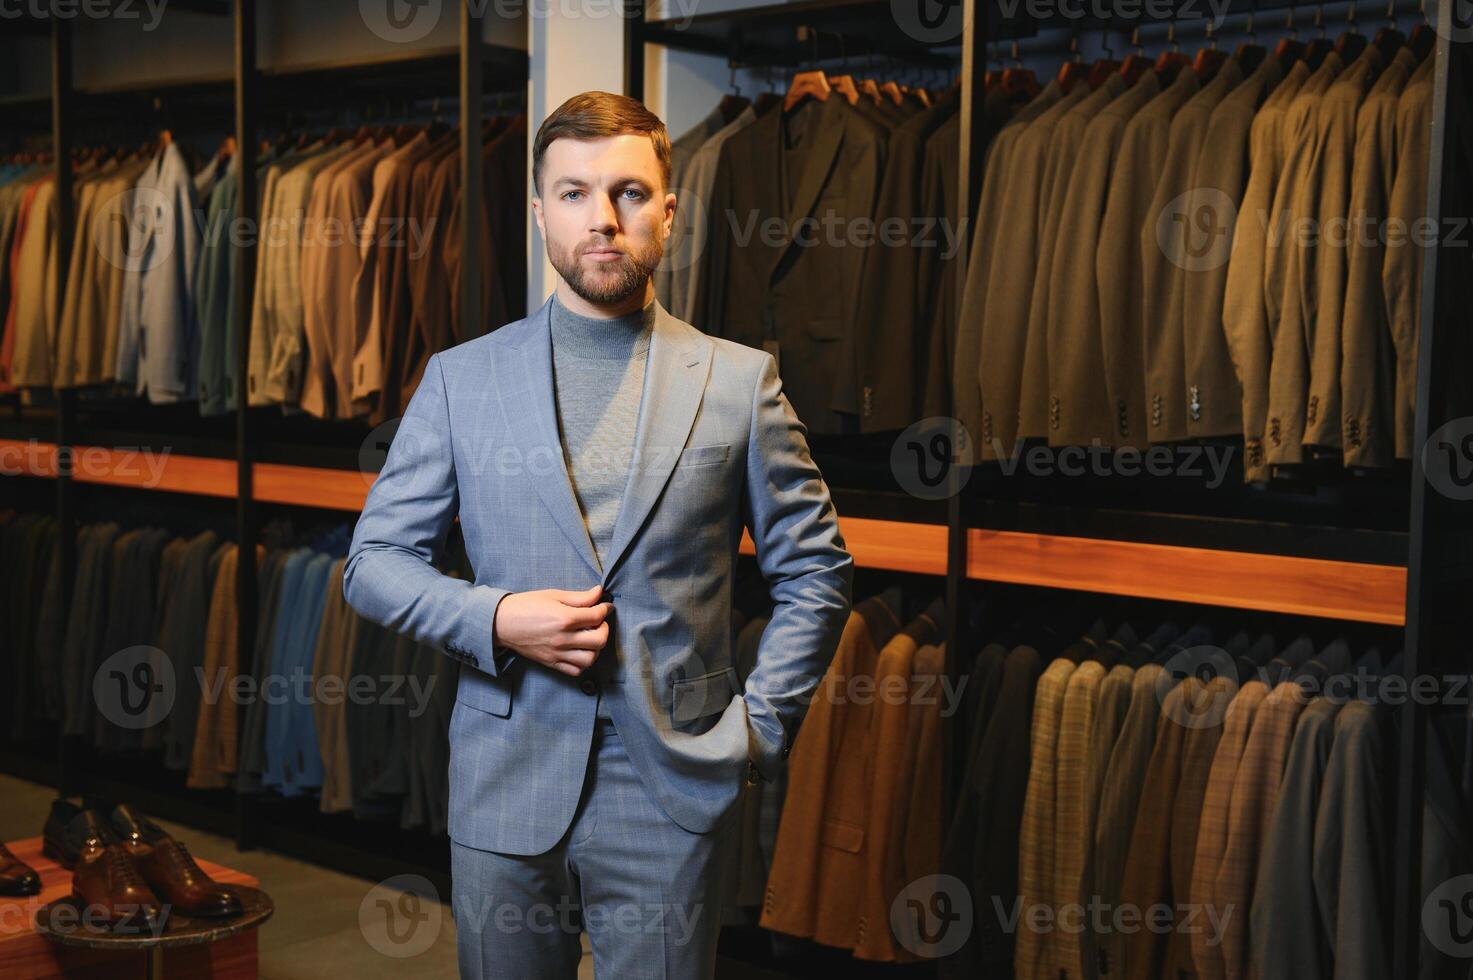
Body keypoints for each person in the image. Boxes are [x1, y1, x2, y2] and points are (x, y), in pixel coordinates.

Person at [342, 90, 854, 979]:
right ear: (539, 211)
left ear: (668, 210)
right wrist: (498, 619)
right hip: (506, 775)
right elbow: (374, 563)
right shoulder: (463, 380)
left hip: (675, 781)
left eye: (626, 191)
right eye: (574, 194)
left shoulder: (738, 383)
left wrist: (757, 730)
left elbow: (815, 571)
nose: (602, 219)